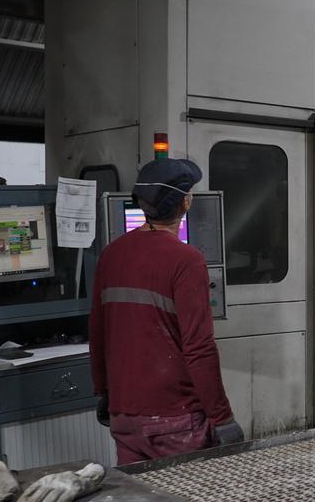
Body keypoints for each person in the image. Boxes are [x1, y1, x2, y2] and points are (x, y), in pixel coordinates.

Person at [89, 158, 243, 464]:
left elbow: (98, 330)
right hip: (175, 420)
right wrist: (222, 418)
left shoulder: (112, 254)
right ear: (185, 202)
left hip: (125, 417)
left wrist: (104, 391)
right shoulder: (186, 260)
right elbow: (199, 348)